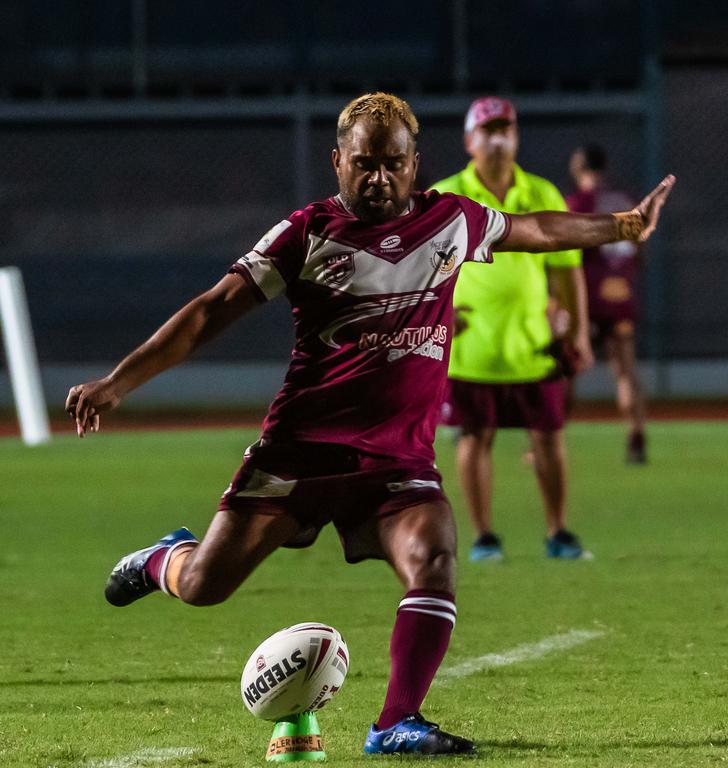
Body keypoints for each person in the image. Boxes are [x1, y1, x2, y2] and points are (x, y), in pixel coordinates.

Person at [65, 92, 675, 756]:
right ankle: (162, 559)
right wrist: (118, 383)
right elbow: (213, 310)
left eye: (392, 163)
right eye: (364, 163)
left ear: (417, 165)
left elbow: (534, 230)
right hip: (301, 454)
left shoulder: (452, 222)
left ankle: (396, 723)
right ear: (337, 161)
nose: (378, 178)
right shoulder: (305, 233)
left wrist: (620, 226)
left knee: (436, 558)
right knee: (205, 586)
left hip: (397, 461)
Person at [431, 97, 594, 563]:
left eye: (506, 129)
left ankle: (558, 532)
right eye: (488, 130)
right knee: (473, 437)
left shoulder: (541, 193)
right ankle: (484, 537)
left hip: (533, 343)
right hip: (470, 347)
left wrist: (578, 332)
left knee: (548, 437)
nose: (498, 139)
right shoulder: (447, 197)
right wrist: (436, 315)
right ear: (469, 140)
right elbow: (420, 269)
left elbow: (567, 267)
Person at [566, 144, 648, 463]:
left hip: (589, 298)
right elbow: (640, 251)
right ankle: (636, 437)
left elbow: (566, 253)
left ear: (578, 168)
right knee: (626, 371)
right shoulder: (624, 203)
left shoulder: (577, 204)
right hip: (622, 297)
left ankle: (546, 440)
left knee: (565, 367)